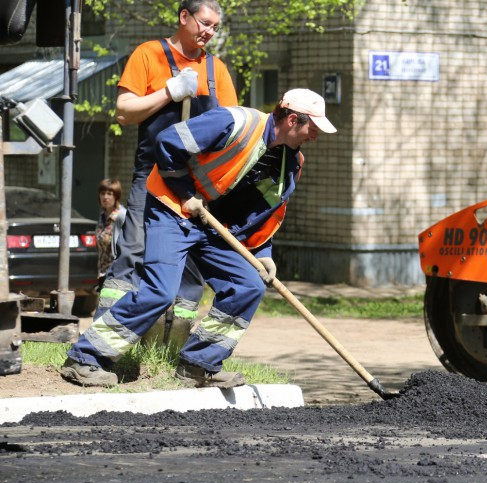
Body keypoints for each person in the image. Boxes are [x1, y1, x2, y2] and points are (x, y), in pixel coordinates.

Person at [60, 88, 336, 388]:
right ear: (293, 119)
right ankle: (85, 358)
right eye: (312, 128)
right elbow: (167, 142)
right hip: (172, 209)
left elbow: (262, 212)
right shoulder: (235, 122)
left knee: (247, 286)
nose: (314, 136)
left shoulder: (290, 163)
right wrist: (186, 193)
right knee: (160, 292)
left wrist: (263, 251)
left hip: (212, 225)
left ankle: (198, 365)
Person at [98, 0, 238, 342]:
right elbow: (124, 111)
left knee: (189, 269)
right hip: (152, 178)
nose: (209, 32)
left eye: (215, 28)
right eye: (204, 23)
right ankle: (103, 340)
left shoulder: (215, 70)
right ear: (184, 16)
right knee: (132, 253)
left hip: (197, 187)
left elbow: (234, 126)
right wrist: (168, 92)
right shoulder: (149, 55)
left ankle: (168, 347)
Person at [95, 179, 127, 286]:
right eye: (102, 193)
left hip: (118, 275)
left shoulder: (122, 217)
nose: (105, 197)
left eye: (110, 194)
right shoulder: (102, 216)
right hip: (103, 273)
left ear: (116, 197)